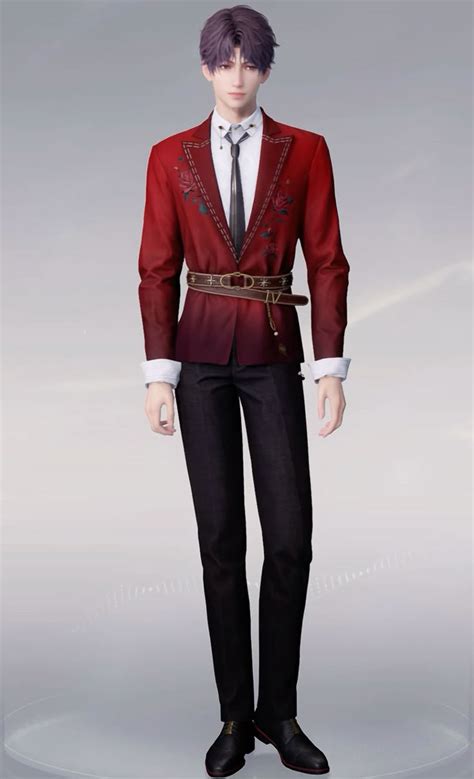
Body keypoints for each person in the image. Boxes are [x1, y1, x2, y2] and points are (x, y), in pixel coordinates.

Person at [137, 5, 351, 775]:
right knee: (221, 542)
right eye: (225, 62)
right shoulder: (170, 156)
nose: (237, 75)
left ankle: (278, 713)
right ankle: (234, 715)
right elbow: (156, 269)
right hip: (197, 359)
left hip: (273, 351)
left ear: (265, 68)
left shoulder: (306, 150)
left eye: (250, 61)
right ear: (205, 67)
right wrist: (159, 373)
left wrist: (330, 366)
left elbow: (327, 260)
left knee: (290, 538)